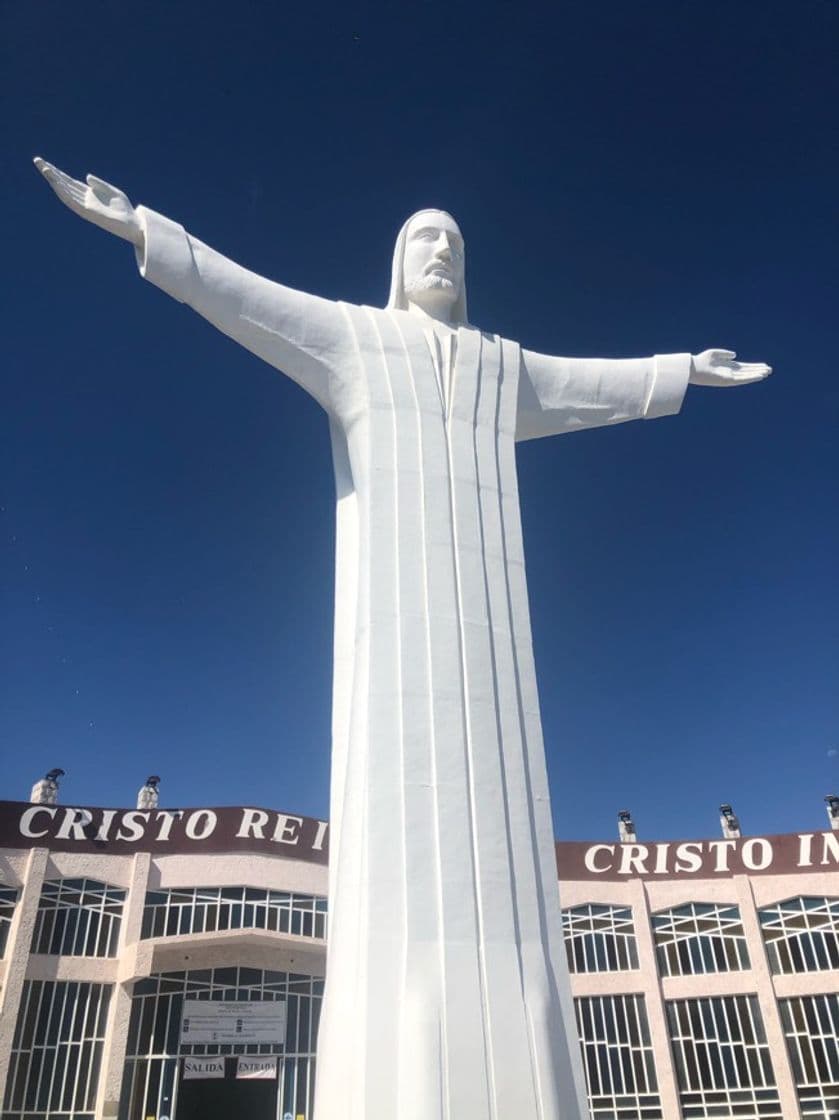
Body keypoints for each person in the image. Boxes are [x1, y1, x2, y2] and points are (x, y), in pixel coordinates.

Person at [34, 158, 770, 1120]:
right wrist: (145, 233)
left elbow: (593, 382)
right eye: (425, 238)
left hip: (494, 675)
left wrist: (680, 372)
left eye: (455, 244)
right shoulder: (353, 340)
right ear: (396, 259)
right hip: (394, 657)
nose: (442, 253)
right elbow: (242, 295)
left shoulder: (504, 368)